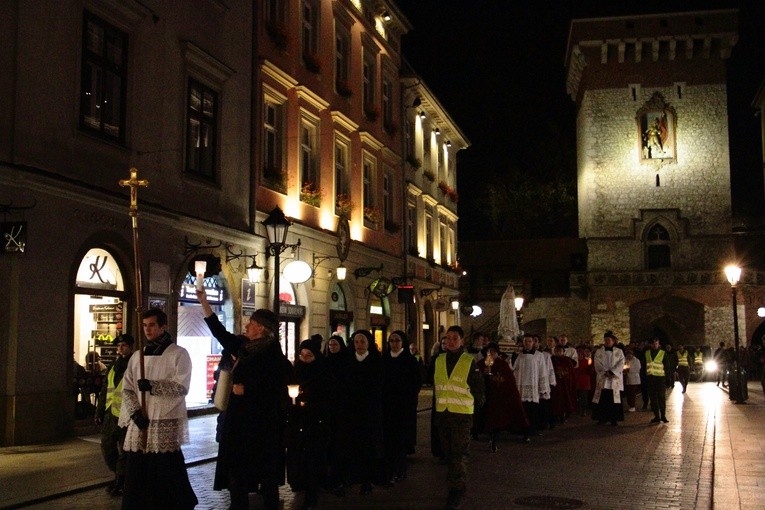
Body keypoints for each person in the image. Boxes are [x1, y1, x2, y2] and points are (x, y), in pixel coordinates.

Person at [196, 289, 289, 510]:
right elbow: (219, 332)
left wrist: (247, 390)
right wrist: (203, 302)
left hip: (261, 426)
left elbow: (276, 388)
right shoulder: (244, 347)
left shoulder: (274, 356)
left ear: (262, 329)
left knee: (265, 477)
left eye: (251, 323)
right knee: (236, 474)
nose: (246, 326)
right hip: (238, 423)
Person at [119, 308, 198, 510]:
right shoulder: (137, 357)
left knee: (166, 470)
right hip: (141, 422)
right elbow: (127, 388)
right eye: (145, 325)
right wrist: (135, 413)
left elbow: (181, 387)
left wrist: (153, 386)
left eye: (152, 325)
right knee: (138, 471)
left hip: (164, 420)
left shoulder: (178, 354)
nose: (147, 329)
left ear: (163, 326)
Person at [432, 325, 485, 510]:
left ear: (462, 340)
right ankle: (454, 483)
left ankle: (457, 490)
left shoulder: (468, 361)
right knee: (448, 454)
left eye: (455, 338)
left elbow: (479, 390)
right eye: (448, 338)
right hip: (443, 415)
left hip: (461, 416)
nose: (451, 341)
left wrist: (475, 413)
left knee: (458, 454)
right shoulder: (438, 360)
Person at [286, 339, 336, 510]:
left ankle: (312, 493)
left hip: (316, 424)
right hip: (297, 424)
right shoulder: (295, 371)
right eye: (302, 355)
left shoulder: (323, 373)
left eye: (309, 356)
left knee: (313, 460)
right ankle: (300, 486)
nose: (305, 359)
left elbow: (328, 398)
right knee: (299, 459)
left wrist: (310, 401)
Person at [334, 330, 384, 496]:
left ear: (369, 343)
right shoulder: (347, 361)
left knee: (367, 447)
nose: (359, 345)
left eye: (362, 342)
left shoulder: (377, 362)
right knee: (348, 447)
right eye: (356, 342)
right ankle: (347, 479)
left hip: (369, 413)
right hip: (349, 413)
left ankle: (367, 481)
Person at [95, 334, 134, 497]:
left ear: (131, 346)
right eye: (119, 346)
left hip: (127, 415)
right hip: (111, 414)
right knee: (107, 448)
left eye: (124, 345)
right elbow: (105, 390)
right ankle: (118, 475)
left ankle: (121, 480)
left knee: (125, 451)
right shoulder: (113, 366)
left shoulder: (135, 364)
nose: (120, 348)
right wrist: (99, 411)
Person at [381, 330, 421, 484]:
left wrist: (408, 399)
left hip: (403, 408)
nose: (394, 343)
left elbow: (415, 383)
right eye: (391, 341)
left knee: (400, 441)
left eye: (397, 340)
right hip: (386, 407)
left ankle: (400, 470)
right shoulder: (384, 359)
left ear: (402, 342)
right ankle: (389, 470)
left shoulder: (410, 361)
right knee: (388, 440)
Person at [476, 342, 528, 452]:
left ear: (497, 353)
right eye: (489, 352)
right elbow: (475, 378)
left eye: (493, 352)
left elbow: (508, 381)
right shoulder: (481, 363)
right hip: (486, 397)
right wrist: (483, 374)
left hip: (499, 397)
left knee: (497, 419)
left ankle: (494, 439)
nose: (491, 354)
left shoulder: (502, 365)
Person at [512, 333, 547, 442]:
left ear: (533, 343)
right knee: (522, 410)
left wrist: (543, 388)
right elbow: (514, 369)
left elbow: (543, 372)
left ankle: (531, 430)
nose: (527, 343)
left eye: (529, 341)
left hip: (533, 386)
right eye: (525, 341)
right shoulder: (519, 355)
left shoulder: (539, 355)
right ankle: (522, 430)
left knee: (532, 410)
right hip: (521, 386)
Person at [592, 331, 625, 426]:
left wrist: (612, 372)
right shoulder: (599, 351)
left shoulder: (619, 352)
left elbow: (621, 363)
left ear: (613, 341)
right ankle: (602, 418)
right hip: (603, 378)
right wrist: (605, 372)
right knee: (603, 399)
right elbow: (597, 363)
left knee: (613, 400)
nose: (607, 342)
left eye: (609, 340)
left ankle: (614, 419)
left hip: (614, 379)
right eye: (605, 340)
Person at [550, 345, 576, 424]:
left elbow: (571, 373)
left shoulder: (567, 360)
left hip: (565, 384)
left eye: (560, 351)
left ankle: (562, 416)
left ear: (563, 352)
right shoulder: (552, 360)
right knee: (555, 400)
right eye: (556, 351)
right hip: (555, 384)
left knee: (564, 400)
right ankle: (555, 416)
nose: (558, 353)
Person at [645, 337, 669, 424]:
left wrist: (667, 379)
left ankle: (663, 415)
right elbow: (645, 365)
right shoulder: (647, 353)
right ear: (650, 344)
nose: (655, 345)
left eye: (656, 343)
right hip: (650, 379)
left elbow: (666, 366)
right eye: (653, 343)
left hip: (660, 379)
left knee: (661, 398)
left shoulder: (663, 353)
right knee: (653, 398)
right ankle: (657, 416)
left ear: (658, 344)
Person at [574, 347, 594, 416]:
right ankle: (578, 409)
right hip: (576, 381)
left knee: (584, 397)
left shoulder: (587, 361)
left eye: (580, 354)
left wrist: (590, 367)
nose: (579, 356)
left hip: (584, 382)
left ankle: (583, 410)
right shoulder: (575, 362)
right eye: (578, 354)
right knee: (577, 397)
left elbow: (590, 372)